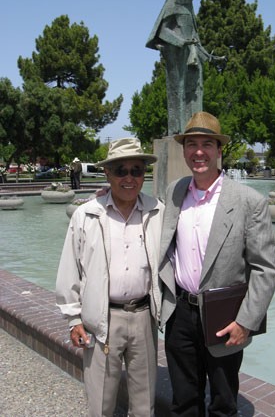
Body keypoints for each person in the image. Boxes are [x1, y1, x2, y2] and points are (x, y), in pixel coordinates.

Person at [159, 112, 275, 416]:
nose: (199, 152)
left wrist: (246, 322)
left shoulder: (249, 201)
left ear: (219, 149)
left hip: (225, 318)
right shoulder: (174, 192)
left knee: (224, 403)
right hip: (180, 314)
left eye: (207, 144)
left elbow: (264, 269)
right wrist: (110, 195)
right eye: (192, 144)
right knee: (184, 400)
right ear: (184, 150)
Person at [56, 137, 164, 417]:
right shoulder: (86, 215)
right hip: (102, 320)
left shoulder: (158, 212)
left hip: (144, 317)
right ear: (107, 173)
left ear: (144, 174)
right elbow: (70, 269)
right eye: (121, 170)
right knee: (101, 402)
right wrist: (74, 319)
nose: (129, 178)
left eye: (136, 170)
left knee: (145, 402)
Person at [146, 0, 224, 136]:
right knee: (178, 90)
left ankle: (194, 127)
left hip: (192, 55)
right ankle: (177, 128)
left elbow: (195, 37)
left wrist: (208, 55)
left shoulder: (189, 9)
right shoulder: (173, 5)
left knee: (196, 91)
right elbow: (163, 32)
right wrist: (181, 42)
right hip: (177, 55)